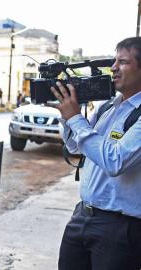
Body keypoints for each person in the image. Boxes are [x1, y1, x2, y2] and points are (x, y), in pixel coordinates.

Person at [51, 37, 141, 270]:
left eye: (123, 62)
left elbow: (115, 161)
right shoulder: (107, 106)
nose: (113, 68)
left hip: (120, 228)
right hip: (82, 215)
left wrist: (75, 119)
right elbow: (75, 147)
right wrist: (68, 114)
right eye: (114, 60)